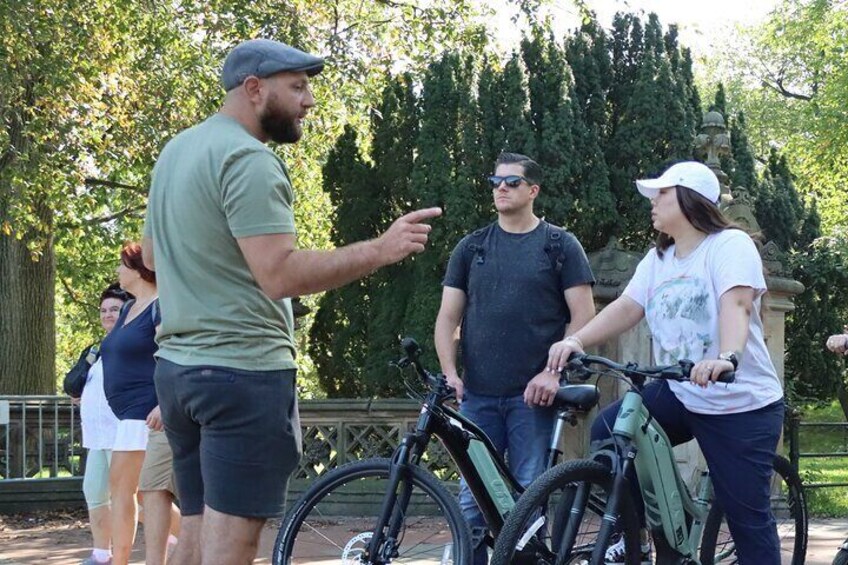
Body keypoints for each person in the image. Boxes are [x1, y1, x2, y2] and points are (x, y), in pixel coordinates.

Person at [141, 38, 441, 564]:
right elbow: (279, 274)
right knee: (231, 543)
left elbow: (151, 255)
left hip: (178, 373)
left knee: (196, 524)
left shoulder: (177, 151)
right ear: (254, 89)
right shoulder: (247, 159)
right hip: (241, 373)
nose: (308, 101)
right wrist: (380, 249)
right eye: (297, 87)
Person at [550, 161, 785, 565]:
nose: (653, 202)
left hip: (739, 404)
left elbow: (739, 303)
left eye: (661, 193)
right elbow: (627, 306)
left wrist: (726, 357)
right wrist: (576, 339)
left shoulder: (729, 245)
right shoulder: (659, 258)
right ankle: (635, 536)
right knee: (610, 432)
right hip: (680, 392)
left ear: (689, 198)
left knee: (747, 519)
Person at [434, 152, 596, 564]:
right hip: (478, 400)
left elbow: (583, 318)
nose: (500, 188)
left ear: (533, 191)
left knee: (527, 504)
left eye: (511, 182)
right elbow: (448, 318)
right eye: (495, 181)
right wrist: (450, 372)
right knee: (471, 504)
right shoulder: (471, 248)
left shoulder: (560, 245)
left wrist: (552, 374)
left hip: (535, 400)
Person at [101, 243, 179, 565]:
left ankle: (120, 561)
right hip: (127, 417)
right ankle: (203, 537)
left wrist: (165, 402)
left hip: (145, 413)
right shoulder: (129, 308)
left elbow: (172, 353)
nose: (118, 271)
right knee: (142, 494)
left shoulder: (159, 306)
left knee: (126, 492)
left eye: (121, 265)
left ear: (138, 269)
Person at [74, 283, 130, 565]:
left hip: (123, 432)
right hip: (96, 436)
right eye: (104, 310)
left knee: (137, 500)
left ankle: (186, 535)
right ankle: (101, 553)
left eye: (115, 309)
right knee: (94, 492)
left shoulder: (133, 342)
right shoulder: (99, 349)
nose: (108, 314)